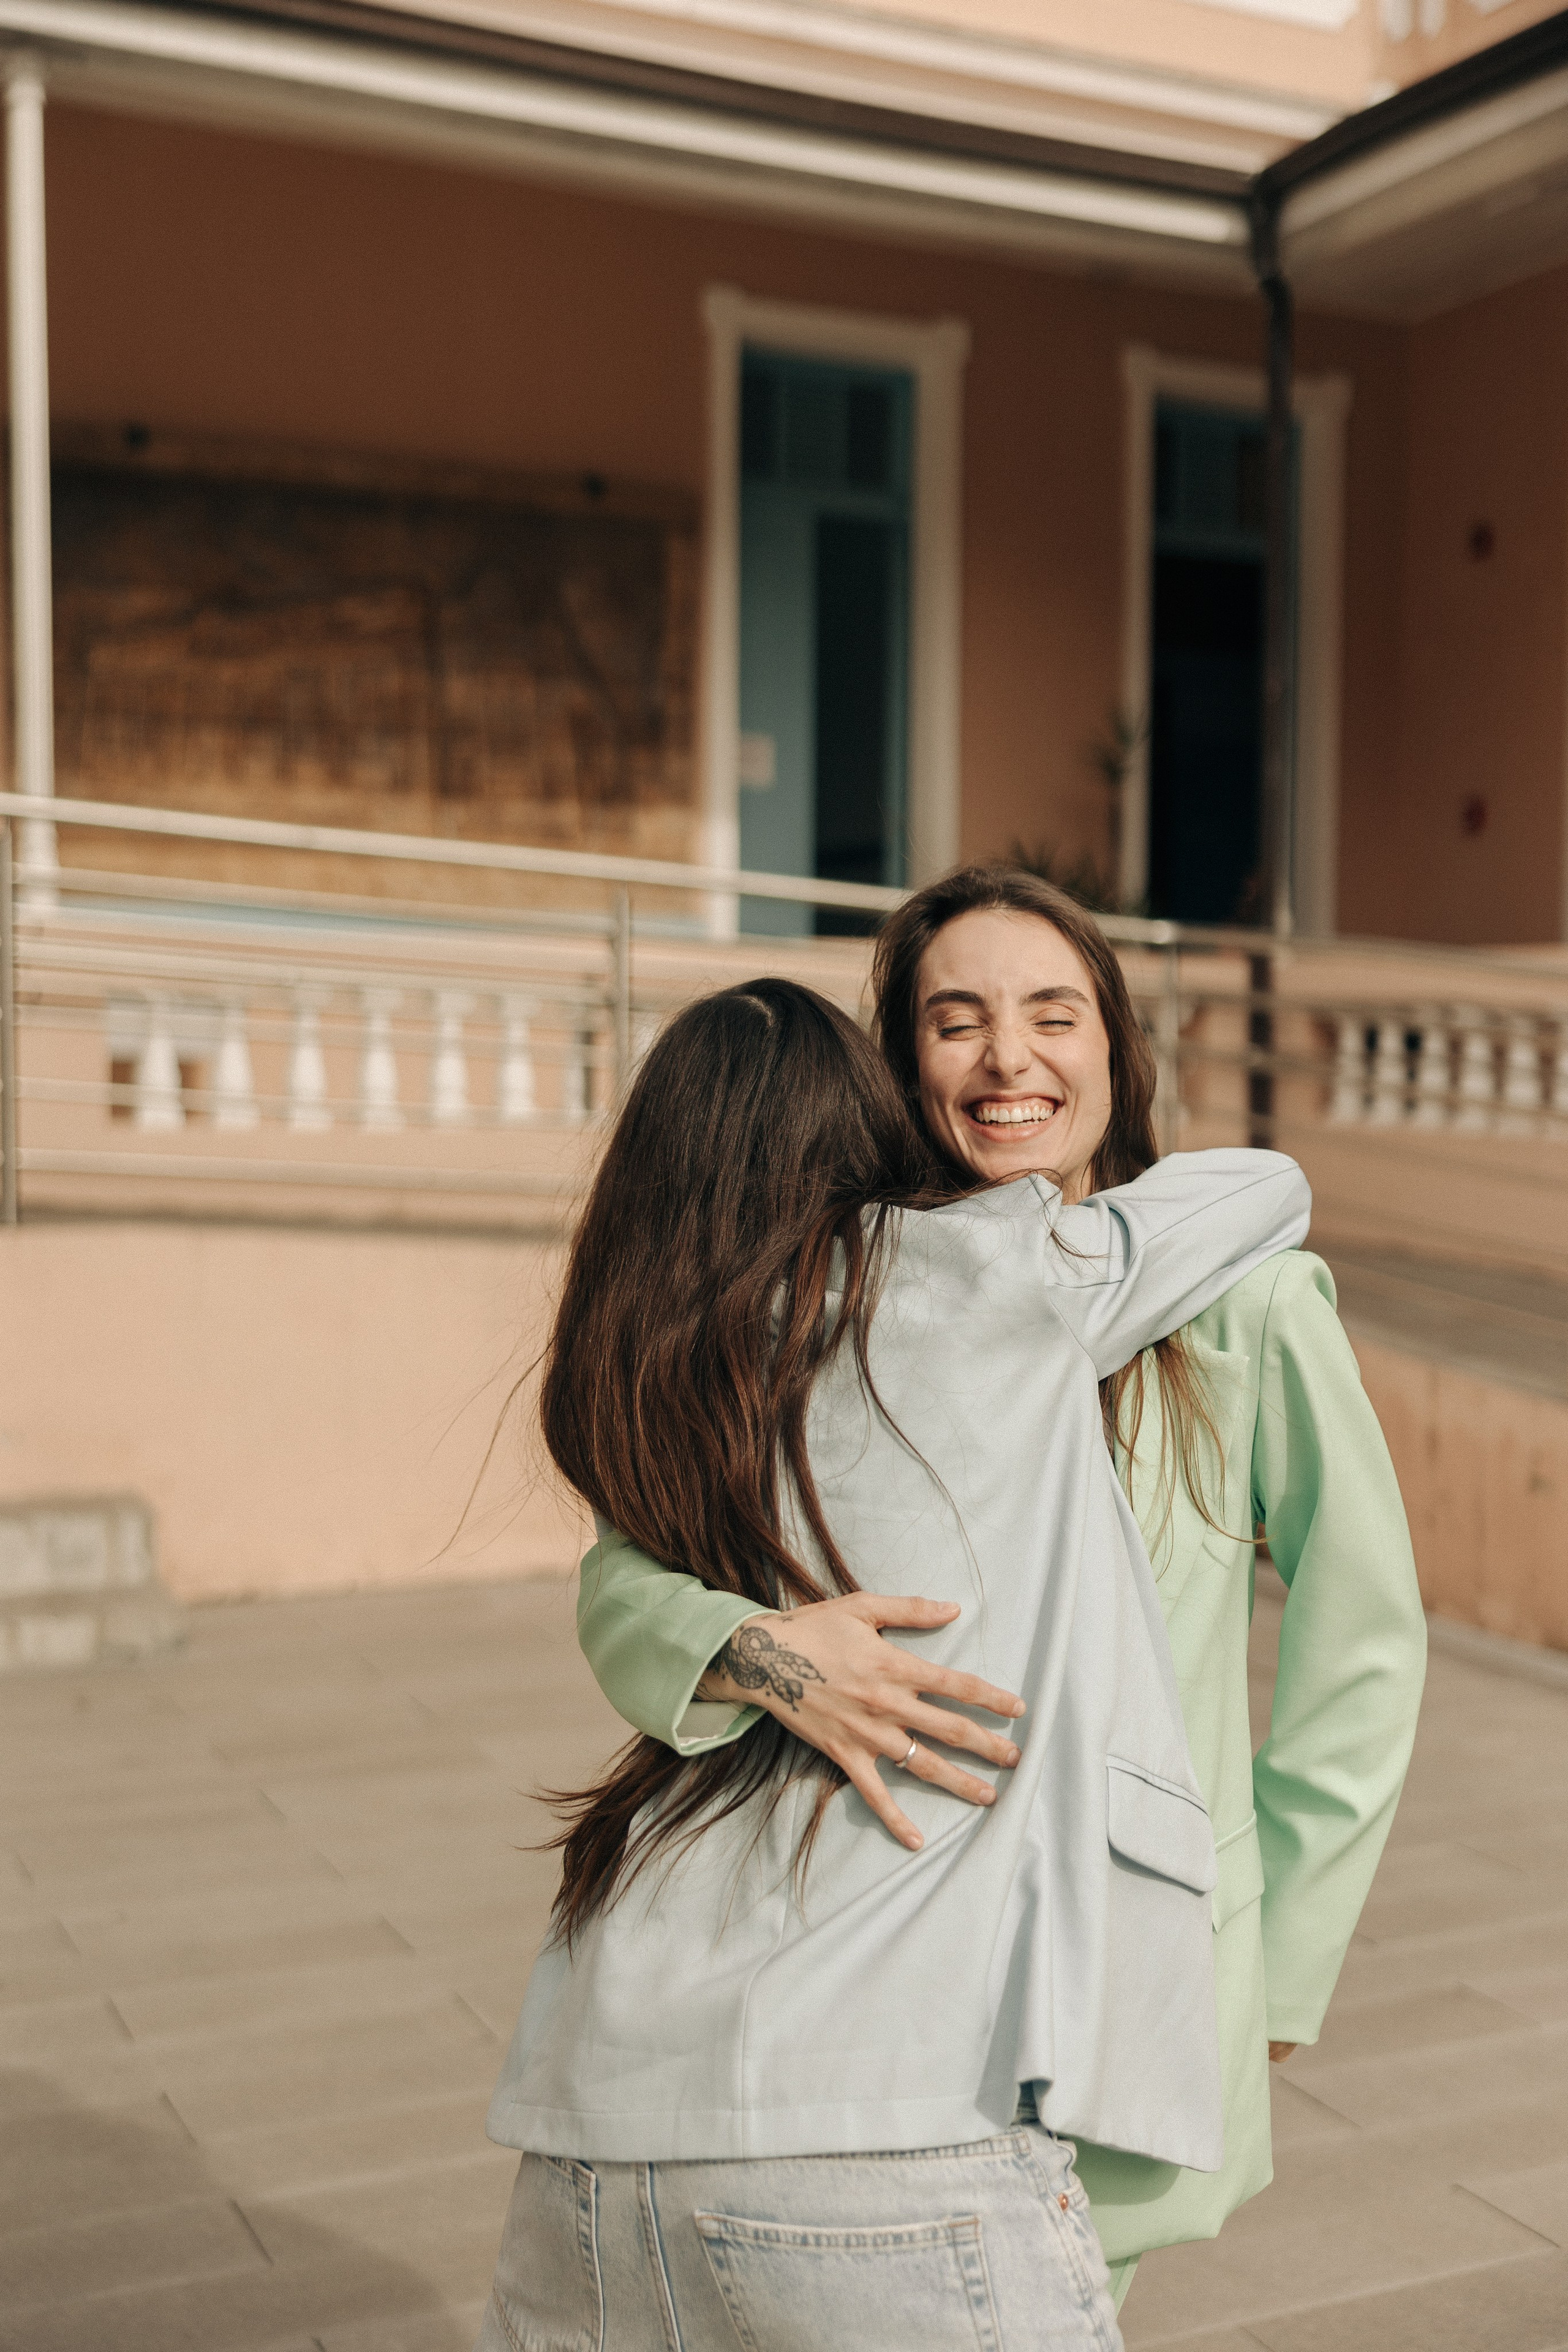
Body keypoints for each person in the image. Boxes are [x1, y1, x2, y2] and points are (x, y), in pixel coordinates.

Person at [574, 864, 1428, 2315]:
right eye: (953, 1021)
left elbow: (1363, 1648)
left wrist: (1278, 1965)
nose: (1007, 1060)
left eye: (1052, 1014)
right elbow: (621, 1573)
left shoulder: (1249, 1307)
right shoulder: (832, 1296)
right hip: (867, 1986)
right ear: (898, 1063)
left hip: (1116, 1965)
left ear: (1112, 1045)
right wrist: (762, 1651)